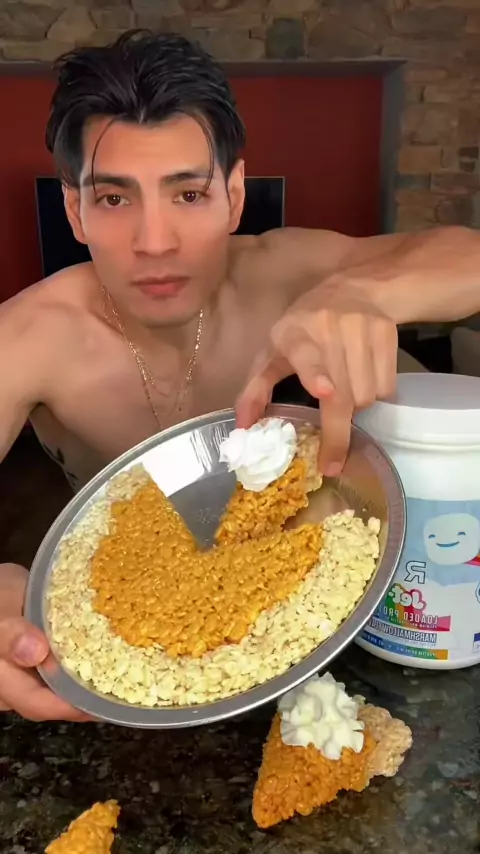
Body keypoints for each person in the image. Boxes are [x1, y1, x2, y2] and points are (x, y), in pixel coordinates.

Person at [1, 30, 480, 724]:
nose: (155, 242)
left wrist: (366, 292)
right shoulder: (29, 336)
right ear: (75, 211)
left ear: (233, 195)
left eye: (189, 194)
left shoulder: (283, 271)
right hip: (146, 646)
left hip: (327, 615)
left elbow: (466, 255)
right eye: (114, 200)